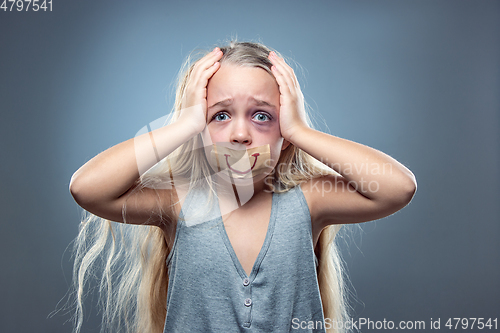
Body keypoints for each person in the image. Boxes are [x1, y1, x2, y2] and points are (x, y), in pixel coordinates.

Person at [68, 40, 417, 333]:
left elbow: (397, 188)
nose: (239, 134)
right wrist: (184, 124)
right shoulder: (178, 202)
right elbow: (88, 189)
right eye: (220, 115)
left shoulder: (308, 201)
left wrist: (301, 132)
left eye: (262, 115)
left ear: (283, 130)